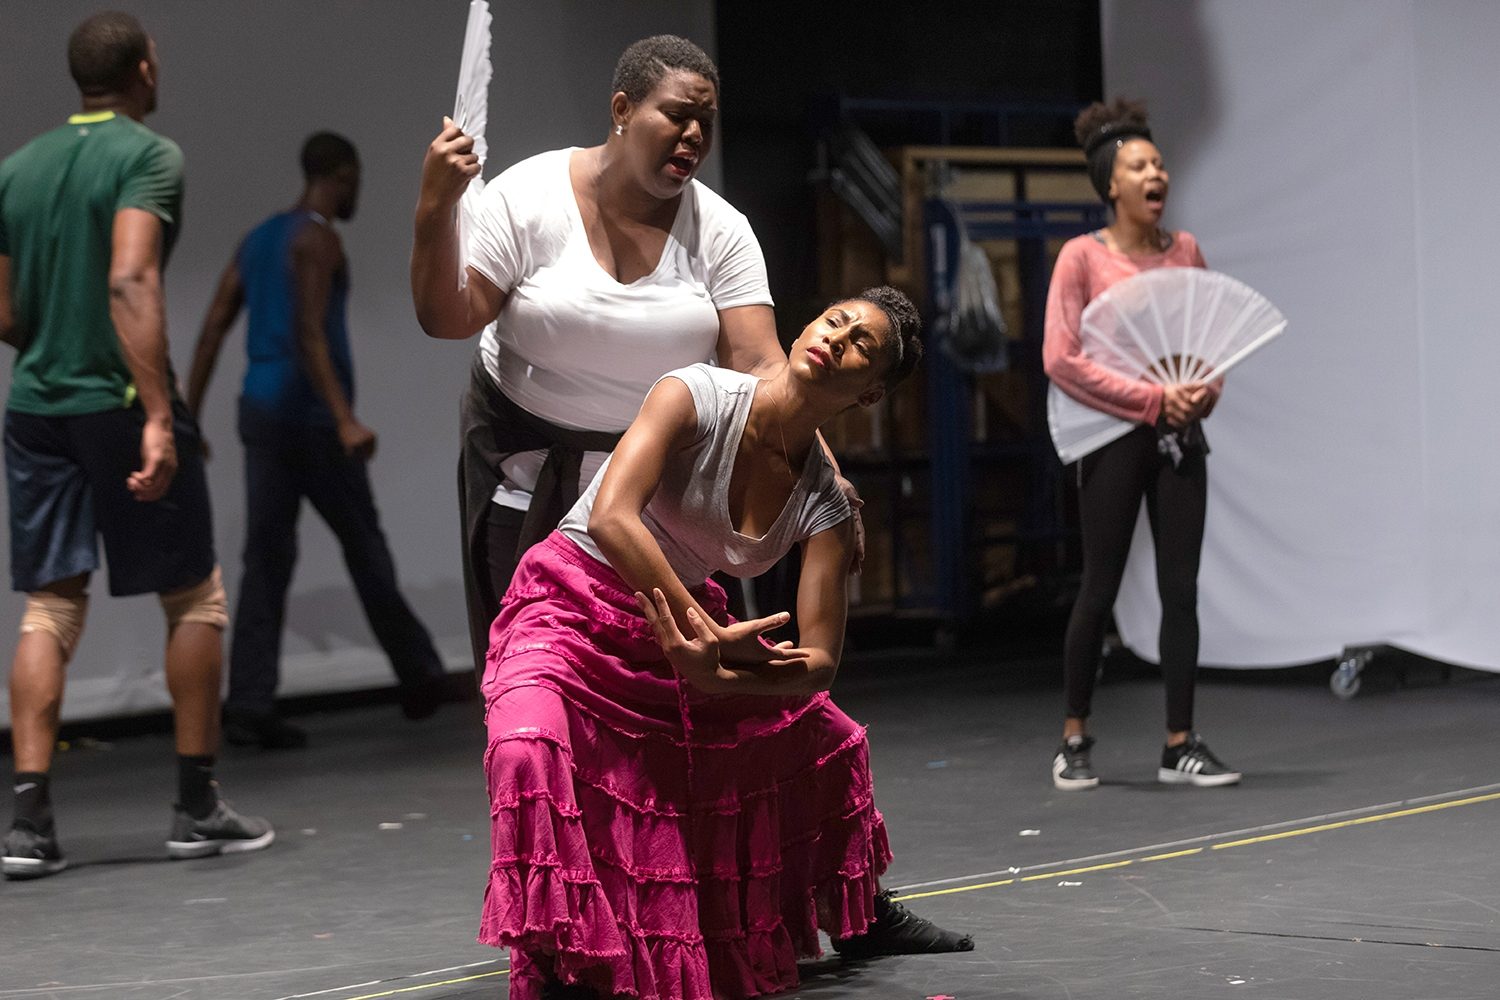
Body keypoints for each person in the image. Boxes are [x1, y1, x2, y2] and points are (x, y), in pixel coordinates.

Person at [480, 287, 970, 1000]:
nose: (837, 338)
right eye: (834, 320)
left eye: (861, 344)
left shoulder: (826, 503)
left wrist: (720, 677)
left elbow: (820, 663)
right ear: (805, 327)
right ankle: (556, 952)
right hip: (569, 603)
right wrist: (701, 634)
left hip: (680, 631)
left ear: (870, 393)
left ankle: (858, 912)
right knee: (526, 747)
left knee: (828, 738)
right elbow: (613, 517)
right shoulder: (696, 395)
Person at [411, 35, 850, 672]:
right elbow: (448, 316)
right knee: (531, 676)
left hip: (657, 505)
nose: (694, 134)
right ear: (622, 109)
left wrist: (828, 477)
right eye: (678, 115)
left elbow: (761, 369)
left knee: (650, 687)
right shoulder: (529, 196)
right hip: (526, 484)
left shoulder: (720, 229)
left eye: (706, 122)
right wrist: (434, 210)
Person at [0, 11, 272, 878]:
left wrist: (56, 349)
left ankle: (28, 825)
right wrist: (156, 412)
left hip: (37, 407)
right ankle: (195, 807)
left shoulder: (16, 169)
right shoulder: (148, 155)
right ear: (144, 72)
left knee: (50, 606)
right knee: (194, 597)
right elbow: (129, 275)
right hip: (121, 401)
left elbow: (3, 310)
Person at [188, 133, 454, 750]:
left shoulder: (258, 239)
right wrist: (344, 419)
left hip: (260, 413)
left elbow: (212, 328)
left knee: (265, 560)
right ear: (342, 175)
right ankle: (421, 677)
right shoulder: (319, 239)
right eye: (355, 180)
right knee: (365, 547)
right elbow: (309, 331)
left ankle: (249, 704)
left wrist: (190, 413)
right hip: (308, 420)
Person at [1042, 98, 1240, 791]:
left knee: (1180, 589)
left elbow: (1212, 338)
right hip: (1114, 437)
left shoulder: (1185, 250)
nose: (1156, 174)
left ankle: (1180, 742)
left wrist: (1203, 391)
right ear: (1111, 184)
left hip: (1181, 437)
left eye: (1159, 163)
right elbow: (1061, 358)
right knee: (1100, 584)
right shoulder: (1082, 257)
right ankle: (1074, 735)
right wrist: (1154, 399)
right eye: (1139, 166)